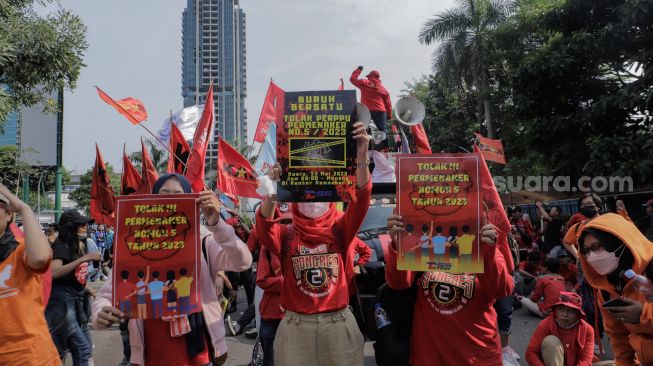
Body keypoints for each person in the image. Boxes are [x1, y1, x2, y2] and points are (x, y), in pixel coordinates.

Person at [91, 173, 252, 366]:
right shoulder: (136, 243)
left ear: (191, 199)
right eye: (164, 194)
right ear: (152, 200)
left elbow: (243, 262)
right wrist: (100, 311)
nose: (170, 200)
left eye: (178, 194)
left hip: (197, 353)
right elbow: (107, 293)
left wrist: (217, 225)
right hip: (150, 354)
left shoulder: (203, 240)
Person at [256, 121, 371, 366]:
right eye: (305, 189)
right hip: (296, 329)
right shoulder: (286, 233)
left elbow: (361, 200)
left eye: (320, 188)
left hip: (338, 326)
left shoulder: (341, 228)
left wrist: (361, 156)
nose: (312, 198)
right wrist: (272, 190)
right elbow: (264, 228)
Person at [386, 213, 514, 366]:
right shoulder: (423, 242)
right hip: (429, 356)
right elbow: (398, 283)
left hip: (478, 356)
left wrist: (487, 251)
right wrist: (398, 246)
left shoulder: (485, 242)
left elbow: (502, 290)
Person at [578, 213, 653, 365]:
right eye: (586, 251)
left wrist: (643, 313)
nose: (592, 256)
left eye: (597, 247)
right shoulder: (606, 288)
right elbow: (618, 335)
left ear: (620, 242)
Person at [0, 185, 60, 365]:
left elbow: (41, 257)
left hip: (31, 357)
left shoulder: (20, 250)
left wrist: (25, 209)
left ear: (9, 214)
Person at [45, 209, 101, 365]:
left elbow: (78, 274)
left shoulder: (77, 245)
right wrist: (85, 258)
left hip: (75, 302)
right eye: (81, 224)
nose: (85, 227)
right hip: (62, 304)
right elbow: (53, 272)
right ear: (71, 227)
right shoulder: (61, 246)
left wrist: (90, 288)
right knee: (82, 349)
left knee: (84, 348)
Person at [525, 292, 595, 366]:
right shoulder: (546, 324)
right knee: (551, 341)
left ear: (578, 314)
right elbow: (531, 352)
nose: (565, 315)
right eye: (561, 310)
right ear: (555, 311)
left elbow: (586, 360)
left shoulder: (587, 329)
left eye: (571, 311)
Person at [349, 65, 392, 147]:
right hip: (380, 111)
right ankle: (386, 148)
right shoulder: (383, 90)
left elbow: (352, 79)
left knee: (364, 128)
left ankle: (364, 147)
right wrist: (389, 115)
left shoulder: (365, 83)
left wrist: (359, 69)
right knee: (383, 130)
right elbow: (388, 104)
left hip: (366, 111)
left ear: (370, 76)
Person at [256, 245, 283, 366]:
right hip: (272, 314)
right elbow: (262, 280)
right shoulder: (268, 246)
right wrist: (291, 283)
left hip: (300, 316)